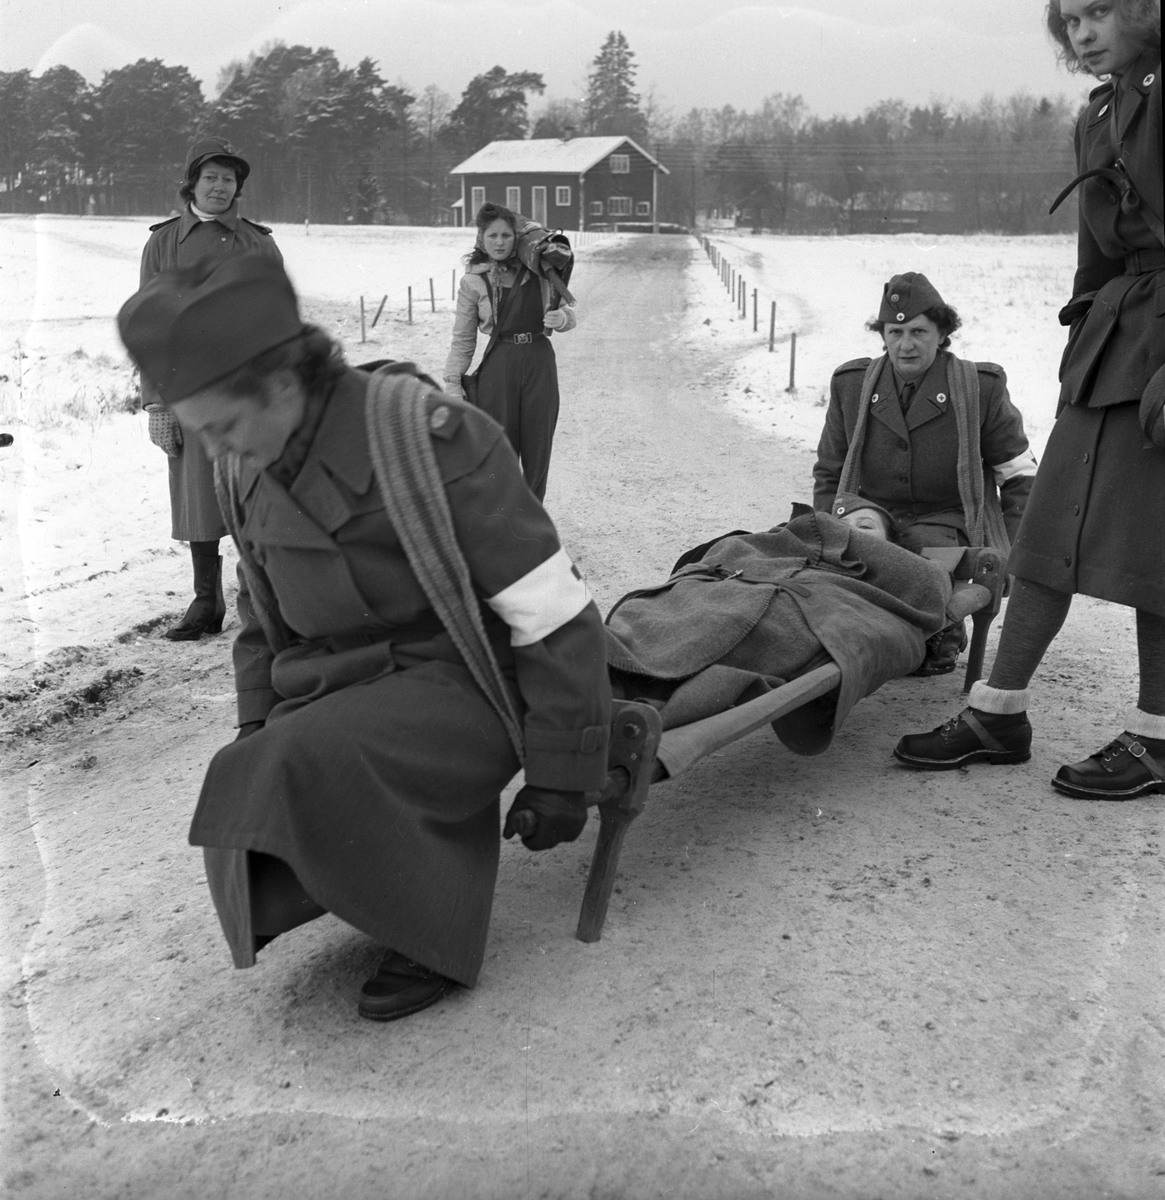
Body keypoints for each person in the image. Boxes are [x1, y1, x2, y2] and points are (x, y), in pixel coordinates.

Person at [117, 254, 611, 1021]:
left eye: (223, 426)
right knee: (251, 766)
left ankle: (431, 931)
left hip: (469, 684)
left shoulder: (431, 441)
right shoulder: (244, 469)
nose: (215, 451)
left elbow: (549, 612)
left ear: (284, 382)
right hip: (339, 684)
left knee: (306, 757)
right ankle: (358, 882)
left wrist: (562, 773)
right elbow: (261, 615)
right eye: (200, 432)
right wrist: (255, 716)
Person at [895, 0, 1163, 799]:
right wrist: (1084, 338)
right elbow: (1094, 253)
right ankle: (997, 711)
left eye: (1097, 12)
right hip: (1115, 342)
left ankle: (1159, 737)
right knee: (1046, 530)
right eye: (1068, 21)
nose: (1080, 34)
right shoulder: (1101, 111)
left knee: (1154, 548)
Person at [813, 271, 1037, 672]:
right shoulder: (852, 385)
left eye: (919, 331)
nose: (906, 345)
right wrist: (827, 535)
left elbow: (1020, 475)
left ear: (942, 333)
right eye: (895, 333)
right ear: (883, 335)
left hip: (947, 520)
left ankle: (938, 634)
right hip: (873, 515)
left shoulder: (979, 388)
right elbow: (830, 471)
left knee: (921, 575)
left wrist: (1009, 549)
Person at [139, 136, 283, 641]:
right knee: (198, 496)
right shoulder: (163, 243)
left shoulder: (258, 242)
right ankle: (206, 601)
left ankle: (263, 599)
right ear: (192, 183)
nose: (220, 186)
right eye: (211, 177)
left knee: (255, 493)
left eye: (229, 179)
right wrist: (157, 403)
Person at [443, 202, 575, 501]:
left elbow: (567, 312)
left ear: (516, 237)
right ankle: (503, 520)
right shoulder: (473, 281)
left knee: (538, 448)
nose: (500, 242)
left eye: (506, 235)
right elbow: (463, 338)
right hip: (499, 365)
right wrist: (452, 382)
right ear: (481, 238)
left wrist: (563, 319)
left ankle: (533, 517)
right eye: (492, 236)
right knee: (499, 450)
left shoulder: (538, 270)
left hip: (539, 361)